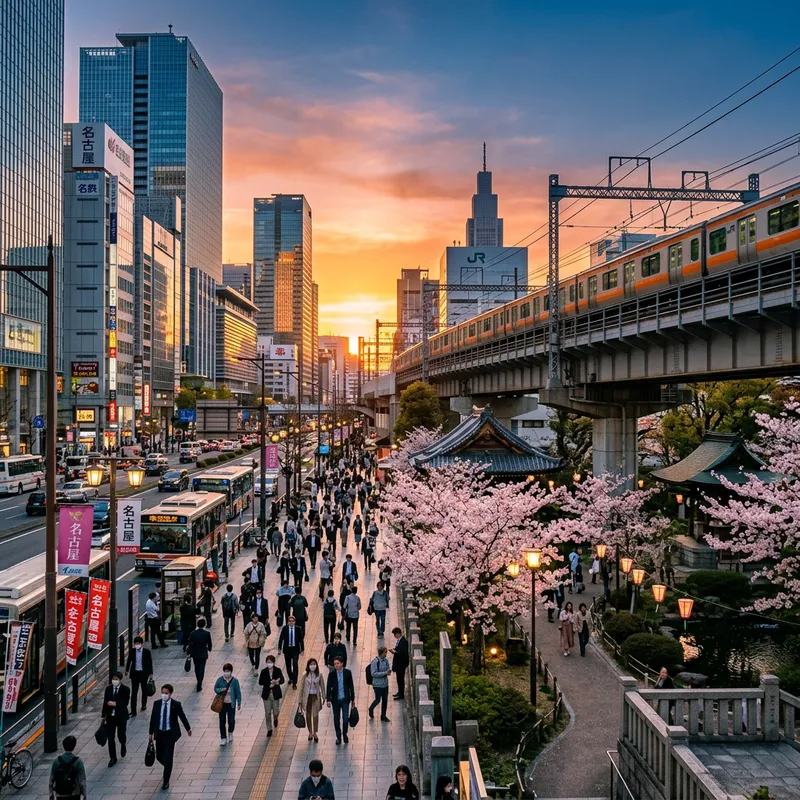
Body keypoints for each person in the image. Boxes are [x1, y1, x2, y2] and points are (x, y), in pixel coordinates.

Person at [148, 683, 192, 792]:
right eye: (162, 693)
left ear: (170, 694)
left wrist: (188, 728)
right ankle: (168, 766)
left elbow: (182, 716)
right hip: (159, 734)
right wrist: (150, 733)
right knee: (159, 756)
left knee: (168, 757)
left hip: (170, 734)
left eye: (166, 693)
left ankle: (166, 780)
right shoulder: (157, 704)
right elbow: (153, 718)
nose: (164, 695)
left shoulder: (175, 704)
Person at [101, 672, 130, 767]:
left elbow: (125, 702)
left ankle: (123, 744)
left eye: (116, 679)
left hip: (121, 717)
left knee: (121, 735)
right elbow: (105, 702)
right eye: (113, 679)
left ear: (120, 680)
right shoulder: (108, 689)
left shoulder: (125, 689)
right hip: (110, 717)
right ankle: (113, 757)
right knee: (111, 738)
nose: (114, 681)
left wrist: (115, 704)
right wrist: (103, 715)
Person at [325, 656, 355, 745]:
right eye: (335, 664)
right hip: (335, 700)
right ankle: (338, 736)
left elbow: (351, 686)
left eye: (338, 663)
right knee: (336, 719)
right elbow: (328, 687)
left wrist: (353, 698)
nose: (336, 665)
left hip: (345, 699)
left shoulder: (347, 673)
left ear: (342, 663)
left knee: (345, 719)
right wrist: (328, 699)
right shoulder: (331, 674)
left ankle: (345, 734)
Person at [49, 735, 87, 800]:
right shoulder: (78, 762)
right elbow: (82, 780)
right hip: (74, 793)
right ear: (74, 746)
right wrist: (84, 794)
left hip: (60, 793)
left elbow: (51, 779)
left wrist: (51, 793)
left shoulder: (57, 761)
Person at [124, 635, 153, 717]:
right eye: (135, 643)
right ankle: (133, 711)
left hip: (144, 674)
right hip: (135, 674)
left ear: (142, 643)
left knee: (144, 690)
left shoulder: (147, 652)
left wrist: (151, 673)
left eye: (138, 643)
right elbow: (129, 661)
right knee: (134, 693)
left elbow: (150, 662)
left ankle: (144, 704)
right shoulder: (132, 651)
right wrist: (127, 670)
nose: (137, 645)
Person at [213, 663, 242, 746]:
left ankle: (230, 732)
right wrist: (222, 689)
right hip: (222, 704)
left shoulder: (235, 681)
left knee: (231, 720)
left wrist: (239, 702)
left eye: (228, 671)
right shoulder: (220, 680)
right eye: (225, 671)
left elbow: (238, 692)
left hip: (231, 704)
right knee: (222, 721)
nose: (227, 673)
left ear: (231, 671)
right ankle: (223, 738)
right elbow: (215, 688)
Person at [298, 658, 325, 742]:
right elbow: (301, 689)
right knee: (308, 715)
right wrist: (299, 701)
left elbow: (322, 686)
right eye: (311, 664)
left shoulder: (319, 675)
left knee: (315, 715)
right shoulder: (304, 675)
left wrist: (324, 697)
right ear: (308, 665)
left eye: (314, 664)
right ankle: (310, 732)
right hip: (307, 697)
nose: (312, 666)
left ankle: (315, 732)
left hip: (315, 697)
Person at [259, 654, 285, 737]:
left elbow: (282, 680)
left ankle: (276, 718)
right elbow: (260, 682)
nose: (269, 664)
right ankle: (269, 729)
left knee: (276, 711)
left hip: (275, 694)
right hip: (266, 695)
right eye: (267, 662)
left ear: (273, 662)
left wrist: (277, 681)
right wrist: (269, 682)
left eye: (270, 662)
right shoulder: (264, 671)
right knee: (267, 713)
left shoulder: (278, 670)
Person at [278, 615, 305, 689]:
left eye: (292, 621)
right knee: (288, 666)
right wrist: (279, 648)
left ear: (295, 622)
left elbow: (301, 640)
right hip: (287, 650)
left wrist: (302, 649)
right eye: (290, 621)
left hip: (295, 650)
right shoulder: (285, 628)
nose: (291, 622)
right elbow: (281, 638)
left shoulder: (298, 629)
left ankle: (294, 683)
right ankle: (291, 677)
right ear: (288, 622)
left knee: (295, 665)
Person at [186, 617, 213, 690]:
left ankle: (198, 679)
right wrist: (209, 649)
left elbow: (190, 643)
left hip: (195, 653)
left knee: (196, 667)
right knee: (202, 667)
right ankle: (200, 681)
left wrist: (189, 652)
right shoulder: (207, 633)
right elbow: (209, 643)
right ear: (204, 625)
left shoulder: (193, 633)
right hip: (203, 653)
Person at [368, 646, 391, 722]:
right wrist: (384, 673)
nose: (386, 654)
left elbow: (388, 668)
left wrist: (388, 671)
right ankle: (371, 708)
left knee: (385, 700)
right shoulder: (375, 662)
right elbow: (373, 673)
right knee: (378, 700)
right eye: (385, 652)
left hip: (385, 684)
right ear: (381, 653)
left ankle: (383, 715)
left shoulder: (386, 661)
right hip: (377, 685)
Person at [389, 627, 409, 700]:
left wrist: (394, 652)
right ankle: (399, 692)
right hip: (399, 664)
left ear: (399, 633)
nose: (395, 636)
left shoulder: (404, 642)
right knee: (398, 679)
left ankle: (401, 694)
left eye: (395, 634)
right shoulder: (399, 641)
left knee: (401, 679)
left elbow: (402, 654)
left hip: (401, 664)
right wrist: (394, 650)